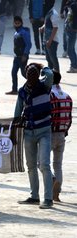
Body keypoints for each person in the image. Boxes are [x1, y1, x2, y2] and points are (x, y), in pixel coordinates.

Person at [15, 63, 54, 209]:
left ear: (38, 75)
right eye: (29, 73)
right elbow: (17, 112)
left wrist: (42, 66)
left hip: (44, 131)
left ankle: (48, 198)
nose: (31, 75)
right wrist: (14, 131)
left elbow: (50, 74)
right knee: (31, 166)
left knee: (44, 164)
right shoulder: (22, 92)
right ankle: (34, 196)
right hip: (28, 132)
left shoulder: (45, 85)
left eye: (34, 73)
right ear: (25, 75)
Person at [50, 70, 73, 201]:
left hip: (50, 133)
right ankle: (56, 194)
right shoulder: (67, 96)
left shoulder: (50, 95)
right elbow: (69, 119)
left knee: (40, 162)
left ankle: (53, 179)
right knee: (58, 164)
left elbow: (49, 115)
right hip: (62, 134)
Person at [6, 16, 32, 95]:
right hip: (16, 57)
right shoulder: (16, 33)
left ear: (21, 23)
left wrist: (25, 54)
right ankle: (14, 90)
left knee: (24, 73)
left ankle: (35, 86)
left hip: (22, 57)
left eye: (18, 23)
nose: (17, 25)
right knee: (13, 73)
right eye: (15, 23)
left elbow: (29, 44)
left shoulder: (24, 32)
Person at [39, 0, 60, 72]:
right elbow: (47, 23)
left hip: (52, 41)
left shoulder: (54, 14)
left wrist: (50, 41)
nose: (44, 4)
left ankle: (57, 76)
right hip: (46, 40)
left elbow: (55, 28)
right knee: (48, 59)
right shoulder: (48, 12)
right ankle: (50, 75)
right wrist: (42, 27)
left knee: (53, 59)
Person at [64, 0, 77, 73]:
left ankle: (74, 66)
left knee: (70, 50)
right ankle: (74, 66)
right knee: (71, 49)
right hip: (69, 29)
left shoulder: (74, 5)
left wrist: (75, 28)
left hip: (72, 30)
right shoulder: (71, 4)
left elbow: (75, 17)